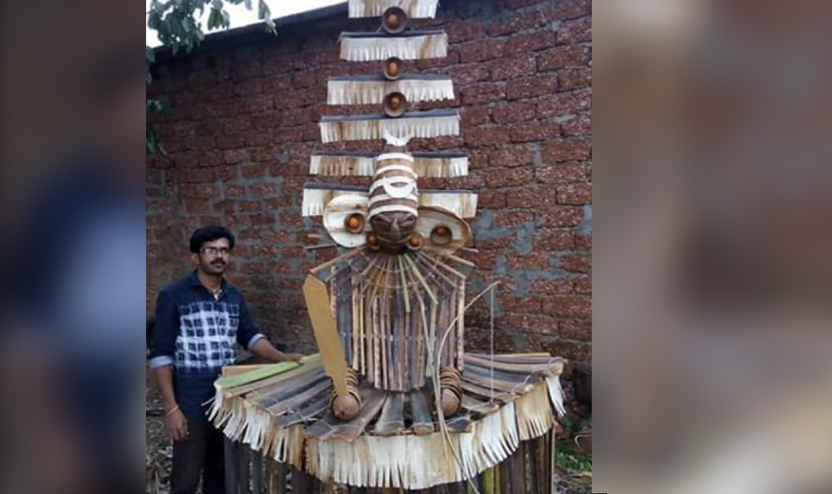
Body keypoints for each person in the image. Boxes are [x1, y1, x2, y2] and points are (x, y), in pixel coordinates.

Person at [149, 226, 302, 494]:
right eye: (211, 250)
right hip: (190, 394)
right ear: (196, 257)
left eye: (224, 250)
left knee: (220, 472)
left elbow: (251, 337)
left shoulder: (234, 297)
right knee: (186, 475)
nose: (219, 256)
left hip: (227, 393)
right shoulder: (174, 296)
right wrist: (171, 409)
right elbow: (161, 355)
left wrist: (281, 357)